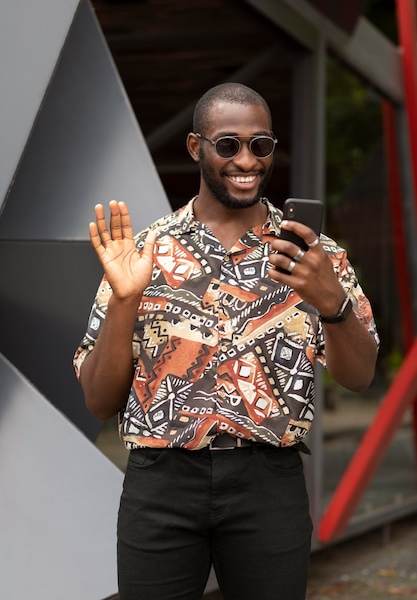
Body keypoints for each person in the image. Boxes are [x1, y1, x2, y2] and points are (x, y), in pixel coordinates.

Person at [73, 82, 379, 600]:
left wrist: (332, 302)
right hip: (161, 482)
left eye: (260, 145)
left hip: (268, 481)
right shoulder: (142, 252)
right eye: (228, 144)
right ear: (196, 147)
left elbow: (359, 376)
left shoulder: (312, 254)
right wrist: (125, 301)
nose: (246, 160)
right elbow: (99, 401)